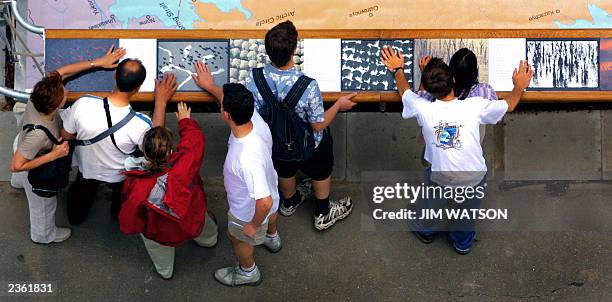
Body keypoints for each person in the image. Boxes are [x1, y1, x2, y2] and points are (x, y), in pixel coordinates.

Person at [194, 20, 358, 231]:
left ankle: (289, 202)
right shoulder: (308, 86)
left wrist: (210, 86)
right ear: (294, 50)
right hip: (309, 145)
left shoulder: (254, 78)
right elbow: (318, 125)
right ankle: (323, 211)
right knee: (320, 170)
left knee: (285, 169)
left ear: (268, 50)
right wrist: (338, 105)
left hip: (276, 143)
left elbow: (239, 101)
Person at [380, 46, 533, 254]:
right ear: (452, 80)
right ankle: (463, 242)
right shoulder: (475, 106)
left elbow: (404, 90)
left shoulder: (423, 106)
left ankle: (425, 230)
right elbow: (510, 104)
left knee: (430, 204)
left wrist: (398, 69)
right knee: (466, 214)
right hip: (473, 176)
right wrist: (519, 86)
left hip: (439, 175)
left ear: (426, 87)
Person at [10, 46, 125, 243]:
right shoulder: (38, 135)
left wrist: (98, 62)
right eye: (64, 94)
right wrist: (53, 155)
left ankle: (18, 182)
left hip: (23, 145)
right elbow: (16, 165)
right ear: (56, 106)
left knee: (20, 176)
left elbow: (62, 72)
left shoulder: (40, 92)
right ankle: (44, 235)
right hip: (36, 157)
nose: (67, 91)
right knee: (44, 207)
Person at [60, 56, 178, 226]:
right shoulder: (140, 124)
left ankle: (76, 218)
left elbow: (66, 136)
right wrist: (161, 102)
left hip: (86, 169)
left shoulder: (83, 104)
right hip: (120, 177)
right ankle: (117, 215)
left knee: (80, 200)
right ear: (138, 88)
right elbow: (156, 146)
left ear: (115, 75)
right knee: (120, 201)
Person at [118, 102, 218, 280]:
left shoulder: (139, 186)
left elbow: (130, 215)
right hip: (191, 216)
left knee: (160, 254)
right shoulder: (185, 165)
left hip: (159, 231)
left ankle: (166, 272)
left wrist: (133, 227)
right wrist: (185, 122)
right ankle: (209, 241)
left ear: (145, 153)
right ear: (170, 150)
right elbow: (194, 143)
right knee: (204, 229)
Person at [213, 83, 281, 286]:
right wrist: (211, 86)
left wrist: (252, 225)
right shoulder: (255, 120)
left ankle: (247, 271)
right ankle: (272, 237)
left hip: (247, 211)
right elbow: (270, 202)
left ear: (226, 115)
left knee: (238, 239)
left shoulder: (244, 158)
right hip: (272, 188)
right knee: (272, 214)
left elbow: (264, 202)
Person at [417, 48, 498, 143]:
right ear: (475, 71)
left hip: (439, 147)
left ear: (450, 73)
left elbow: (420, 99)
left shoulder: (440, 90)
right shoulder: (485, 91)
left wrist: (426, 73)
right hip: (471, 146)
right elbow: (495, 114)